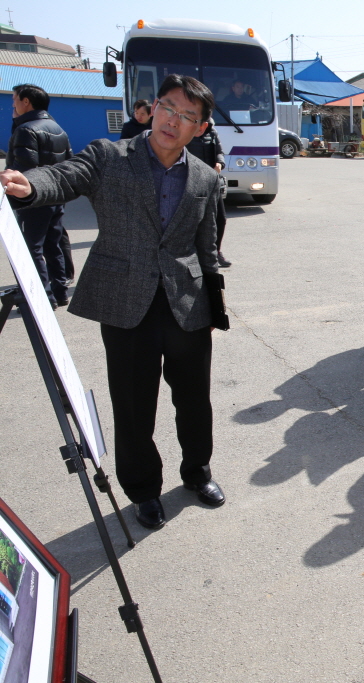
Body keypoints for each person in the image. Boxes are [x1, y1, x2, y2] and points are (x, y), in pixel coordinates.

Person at [1, 74, 227, 530]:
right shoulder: (109, 156)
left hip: (186, 303)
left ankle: (196, 471)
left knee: (194, 399)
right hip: (126, 301)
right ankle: (143, 490)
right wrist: (29, 183)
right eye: (167, 107)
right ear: (154, 107)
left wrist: (213, 301)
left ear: (200, 128)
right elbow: (66, 174)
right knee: (132, 403)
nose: (172, 120)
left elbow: (208, 244)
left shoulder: (203, 176)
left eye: (187, 116)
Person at [6, 84, 72, 309]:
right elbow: (69, 163)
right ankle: (60, 292)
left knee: (31, 247)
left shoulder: (25, 130)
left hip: (33, 199)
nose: (12, 104)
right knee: (52, 245)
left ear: (27, 102)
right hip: (56, 197)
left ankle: (42, 297)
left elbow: (24, 170)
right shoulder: (58, 128)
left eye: (15, 99)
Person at [186, 118, 231, 267]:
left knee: (220, 219)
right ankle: (194, 254)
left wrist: (220, 163)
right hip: (192, 182)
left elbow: (220, 152)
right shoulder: (186, 132)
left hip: (212, 182)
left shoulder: (212, 132)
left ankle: (216, 252)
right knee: (195, 220)